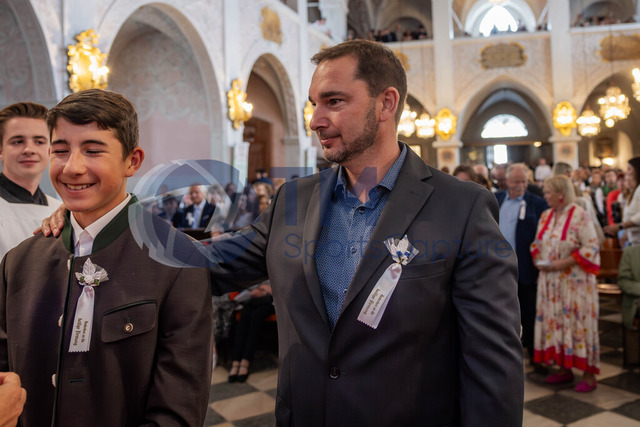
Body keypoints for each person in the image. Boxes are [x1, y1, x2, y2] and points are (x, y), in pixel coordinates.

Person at [40, 40, 524, 426]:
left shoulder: (460, 206)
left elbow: (492, 361)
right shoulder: (295, 199)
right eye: (314, 104)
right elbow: (203, 264)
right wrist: (105, 216)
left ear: (386, 103)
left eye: (334, 102)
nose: (315, 120)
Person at [0, 89, 213, 426]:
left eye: (93, 150)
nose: (73, 167)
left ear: (132, 161)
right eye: (60, 150)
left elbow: (177, 408)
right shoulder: (20, 260)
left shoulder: (178, 260)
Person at [531, 175, 601, 392]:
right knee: (557, 322)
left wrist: (562, 263)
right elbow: (537, 243)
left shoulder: (580, 215)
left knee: (578, 323)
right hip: (551, 282)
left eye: (548, 192)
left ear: (561, 194)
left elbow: (591, 247)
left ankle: (589, 374)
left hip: (574, 283)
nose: (545, 196)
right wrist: (537, 258)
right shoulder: (546, 215)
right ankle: (564, 368)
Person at [495, 163, 548, 368]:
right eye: (516, 181)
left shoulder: (537, 203)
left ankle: (535, 357)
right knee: (501, 314)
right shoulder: (496, 199)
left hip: (525, 267)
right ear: (507, 181)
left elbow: (543, 236)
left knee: (529, 313)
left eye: (524, 181)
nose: (521, 185)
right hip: (498, 269)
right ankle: (504, 356)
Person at [0, 102, 62, 259]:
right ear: (1, 150)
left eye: (39, 142)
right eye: (18, 141)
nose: (29, 150)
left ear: (50, 149)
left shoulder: (60, 211)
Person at [604, 157, 640, 246]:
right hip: (634, 238)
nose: (627, 172)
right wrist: (626, 233)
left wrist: (620, 226)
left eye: (629, 169)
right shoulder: (635, 190)